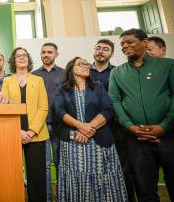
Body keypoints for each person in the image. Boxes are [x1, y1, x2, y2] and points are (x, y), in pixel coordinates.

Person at [109, 28, 174, 202]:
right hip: (135, 140)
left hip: (168, 137)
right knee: (145, 190)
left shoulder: (168, 65)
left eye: (130, 42)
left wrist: (164, 126)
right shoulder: (117, 72)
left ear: (145, 43)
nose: (125, 46)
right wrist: (129, 125)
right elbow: (114, 100)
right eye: (122, 43)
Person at [55, 57, 127, 201]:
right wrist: (81, 126)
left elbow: (107, 110)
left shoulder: (98, 87)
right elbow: (60, 111)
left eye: (87, 64)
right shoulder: (62, 90)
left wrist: (89, 129)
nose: (87, 66)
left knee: (103, 177)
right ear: (71, 68)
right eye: (81, 64)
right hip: (73, 143)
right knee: (75, 176)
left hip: (99, 141)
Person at [90, 38, 136, 201]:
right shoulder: (84, 71)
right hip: (91, 127)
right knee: (94, 168)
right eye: (98, 48)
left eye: (106, 49)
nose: (101, 51)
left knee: (123, 168)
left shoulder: (119, 72)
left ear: (112, 53)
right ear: (94, 50)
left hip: (115, 127)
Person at [2, 47, 49, 202]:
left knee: (37, 176)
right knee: (11, 175)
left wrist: (31, 131)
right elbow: (5, 108)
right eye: (18, 56)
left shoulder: (38, 80)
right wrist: (18, 132)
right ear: (13, 60)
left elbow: (43, 107)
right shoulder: (7, 81)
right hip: (13, 133)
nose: (21, 58)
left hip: (36, 134)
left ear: (28, 59)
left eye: (24, 55)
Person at [31, 42, 65, 202]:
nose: (46, 54)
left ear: (56, 54)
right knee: (44, 165)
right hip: (40, 126)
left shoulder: (65, 74)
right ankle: (46, 198)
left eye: (49, 52)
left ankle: (61, 197)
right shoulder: (34, 75)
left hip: (60, 126)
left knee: (60, 163)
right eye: (43, 52)